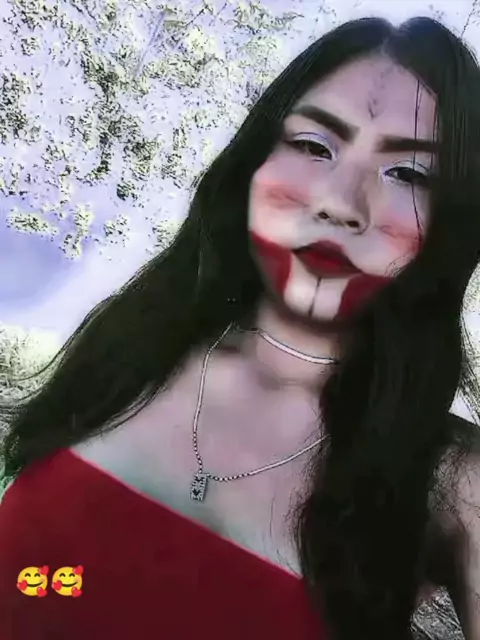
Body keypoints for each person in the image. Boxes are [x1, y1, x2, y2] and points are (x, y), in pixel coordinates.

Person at [1, 15, 480, 640]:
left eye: (409, 174)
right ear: (255, 161)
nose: (340, 201)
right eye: (314, 146)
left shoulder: (453, 483)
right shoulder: (134, 349)